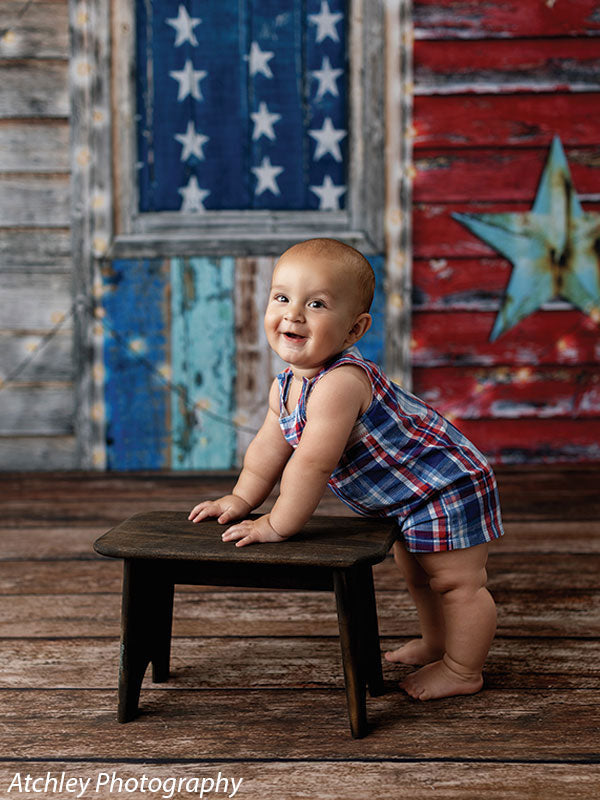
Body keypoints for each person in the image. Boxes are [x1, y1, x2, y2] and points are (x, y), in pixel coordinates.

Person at [189, 237, 504, 701]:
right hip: (404, 495)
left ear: (354, 329)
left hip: (444, 485)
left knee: (457, 583)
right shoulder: (287, 387)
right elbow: (266, 451)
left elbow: (312, 463)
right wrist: (241, 499)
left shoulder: (340, 383)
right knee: (417, 574)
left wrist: (279, 523)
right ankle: (439, 642)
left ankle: (462, 668)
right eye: (282, 297)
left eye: (316, 304)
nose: (293, 314)